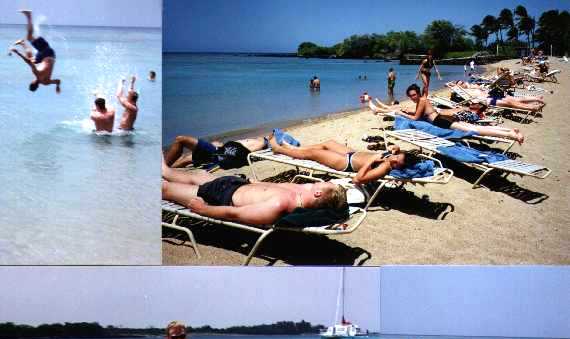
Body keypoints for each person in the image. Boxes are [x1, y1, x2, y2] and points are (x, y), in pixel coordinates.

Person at [162, 158, 347, 225]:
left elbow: (235, 213)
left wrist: (204, 210)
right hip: (236, 182)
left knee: (165, 188)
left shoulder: (279, 205)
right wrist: (249, 180)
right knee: (173, 172)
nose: (326, 180)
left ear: (318, 194)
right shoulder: (303, 190)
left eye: (328, 184)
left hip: (218, 195)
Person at [373, 84, 526, 144]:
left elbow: (415, 118)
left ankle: (512, 135)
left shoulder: (421, 101)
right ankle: (509, 131)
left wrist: (401, 112)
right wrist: (409, 110)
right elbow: (422, 112)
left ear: (418, 93)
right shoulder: (423, 100)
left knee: (474, 130)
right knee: (470, 126)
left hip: (441, 121)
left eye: (413, 94)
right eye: (410, 95)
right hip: (442, 118)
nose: (412, 97)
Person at [268, 135, 410, 186]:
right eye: (398, 156)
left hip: (346, 163)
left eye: (397, 162)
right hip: (352, 153)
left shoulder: (384, 168)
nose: (394, 158)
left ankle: (278, 149)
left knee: (315, 153)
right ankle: (295, 149)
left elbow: (357, 180)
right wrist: (395, 148)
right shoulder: (393, 157)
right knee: (328, 143)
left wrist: (371, 160)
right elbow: (397, 149)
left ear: (398, 167)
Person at [11, 10, 60, 93]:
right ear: (32, 82)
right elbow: (28, 62)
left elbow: (58, 81)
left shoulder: (46, 83)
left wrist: (57, 87)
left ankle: (22, 43)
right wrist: (17, 53)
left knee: (33, 60)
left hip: (51, 56)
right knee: (29, 37)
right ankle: (28, 15)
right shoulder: (36, 73)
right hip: (46, 52)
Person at [164, 134, 270, 168]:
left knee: (181, 139)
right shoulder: (258, 141)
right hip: (219, 152)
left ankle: (163, 168)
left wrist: (218, 147)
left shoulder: (260, 143)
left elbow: (241, 156)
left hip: (218, 153)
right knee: (186, 159)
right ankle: (166, 169)